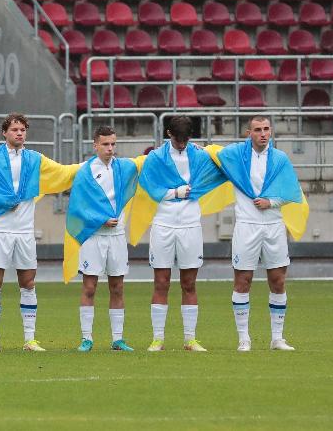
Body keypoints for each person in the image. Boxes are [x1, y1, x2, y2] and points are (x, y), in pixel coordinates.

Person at [0, 113, 78, 352]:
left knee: (28, 283)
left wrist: (88, 167)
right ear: (4, 132)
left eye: (23, 130)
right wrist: (5, 201)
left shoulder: (35, 159)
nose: (19, 133)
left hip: (25, 231)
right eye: (15, 129)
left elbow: (62, 172)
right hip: (0, 230)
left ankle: (29, 339)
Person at [206, 116, 308, 352]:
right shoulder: (236, 156)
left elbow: (291, 192)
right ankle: (244, 339)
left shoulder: (280, 159)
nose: (263, 133)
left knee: (278, 280)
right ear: (248, 133)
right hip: (246, 226)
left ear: (270, 132)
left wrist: (271, 202)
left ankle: (277, 338)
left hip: (274, 226)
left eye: (266, 129)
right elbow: (212, 155)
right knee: (243, 281)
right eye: (258, 130)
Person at [132, 116, 230, 353]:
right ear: (168, 134)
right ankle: (157, 338)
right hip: (163, 224)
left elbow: (224, 166)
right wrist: (176, 192)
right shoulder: (156, 157)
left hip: (190, 225)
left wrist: (209, 150)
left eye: (186, 140)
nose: (182, 144)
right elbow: (149, 186)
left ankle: (190, 339)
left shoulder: (198, 154)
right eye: (178, 140)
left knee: (189, 283)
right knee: (161, 282)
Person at [64, 126, 141, 352]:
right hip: (94, 237)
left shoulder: (124, 168)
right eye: (106, 144)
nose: (110, 149)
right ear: (95, 145)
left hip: (117, 237)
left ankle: (118, 339)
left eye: (113, 144)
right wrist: (100, 220)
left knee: (117, 287)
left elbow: (148, 161)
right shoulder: (86, 172)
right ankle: (86, 338)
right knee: (89, 287)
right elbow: (77, 207)